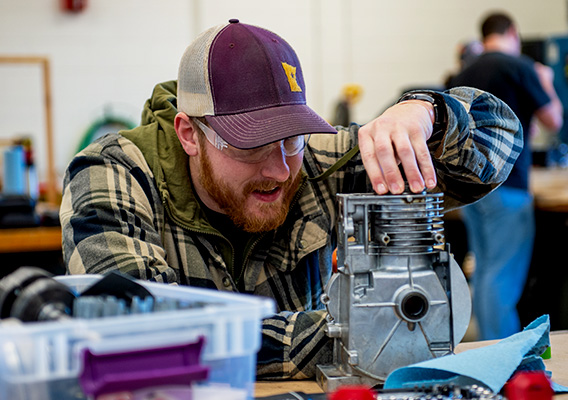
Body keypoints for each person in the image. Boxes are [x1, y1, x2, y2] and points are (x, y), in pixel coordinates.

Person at [60, 19, 522, 379]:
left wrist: (428, 114)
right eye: (250, 145)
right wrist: (355, 335)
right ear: (189, 134)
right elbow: (134, 334)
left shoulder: (318, 160)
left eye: (291, 139)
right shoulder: (113, 172)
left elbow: (498, 147)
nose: (280, 169)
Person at [447, 12, 563, 340]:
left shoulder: (465, 70)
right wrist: (546, 83)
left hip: (469, 188)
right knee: (502, 277)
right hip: (508, 187)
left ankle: (488, 345)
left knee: (485, 270)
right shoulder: (519, 66)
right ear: (512, 32)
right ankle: (506, 356)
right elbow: (553, 120)